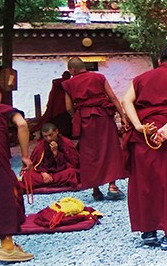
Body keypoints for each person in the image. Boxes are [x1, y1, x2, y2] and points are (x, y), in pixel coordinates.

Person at [121, 47, 167, 250]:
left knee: (144, 182)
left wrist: (138, 125)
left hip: (143, 133)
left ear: (160, 59)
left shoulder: (141, 78)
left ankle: (148, 233)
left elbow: (126, 100)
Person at [61, 57, 128, 201]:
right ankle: (112, 185)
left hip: (85, 119)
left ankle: (96, 189)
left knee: (89, 152)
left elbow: (68, 107)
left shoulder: (68, 83)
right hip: (103, 116)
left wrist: (77, 115)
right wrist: (123, 116)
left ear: (72, 70)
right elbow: (113, 97)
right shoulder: (99, 77)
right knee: (110, 148)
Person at [0, 104, 34, 262]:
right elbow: (22, 124)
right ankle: (8, 247)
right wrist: (25, 156)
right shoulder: (3, 110)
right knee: (3, 194)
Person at [22, 122, 79, 189]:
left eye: (50, 135)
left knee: (72, 173)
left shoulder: (67, 143)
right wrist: (43, 173)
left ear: (57, 131)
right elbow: (36, 164)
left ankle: (47, 182)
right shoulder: (41, 146)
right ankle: (54, 182)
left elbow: (73, 163)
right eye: (45, 136)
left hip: (61, 172)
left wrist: (56, 153)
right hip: (46, 174)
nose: (49, 138)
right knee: (27, 176)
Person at [34, 71, 73, 137]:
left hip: (56, 106)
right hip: (65, 106)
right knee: (65, 123)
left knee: (57, 121)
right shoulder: (69, 83)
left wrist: (50, 104)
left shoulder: (56, 83)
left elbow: (52, 94)